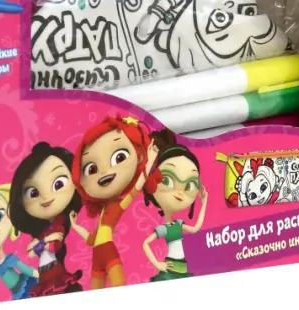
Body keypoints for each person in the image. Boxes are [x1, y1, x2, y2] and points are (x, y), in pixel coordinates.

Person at [69, 116, 161, 289]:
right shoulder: (103, 212)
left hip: (109, 253)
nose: (104, 172)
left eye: (119, 157)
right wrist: (74, 225)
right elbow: (91, 239)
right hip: (97, 256)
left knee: (119, 288)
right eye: (92, 169)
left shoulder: (117, 206)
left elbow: (135, 190)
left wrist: (149, 163)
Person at [9, 142, 83, 297]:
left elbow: (54, 244)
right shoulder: (43, 230)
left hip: (54, 271)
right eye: (33, 193)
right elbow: (31, 252)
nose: (46, 197)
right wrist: (42, 243)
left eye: (58, 184)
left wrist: (41, 244)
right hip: (44, 272)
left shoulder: (61, 222)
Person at [142, 130, 208, 282]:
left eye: (190, 184)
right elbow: (145, 243)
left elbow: (195, 228)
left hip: (182, 267)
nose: (179, 193)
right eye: (167, 180)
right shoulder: (164, 229)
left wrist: (204, 203)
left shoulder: (178, 224)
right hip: (170, 267)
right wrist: (158, 265)